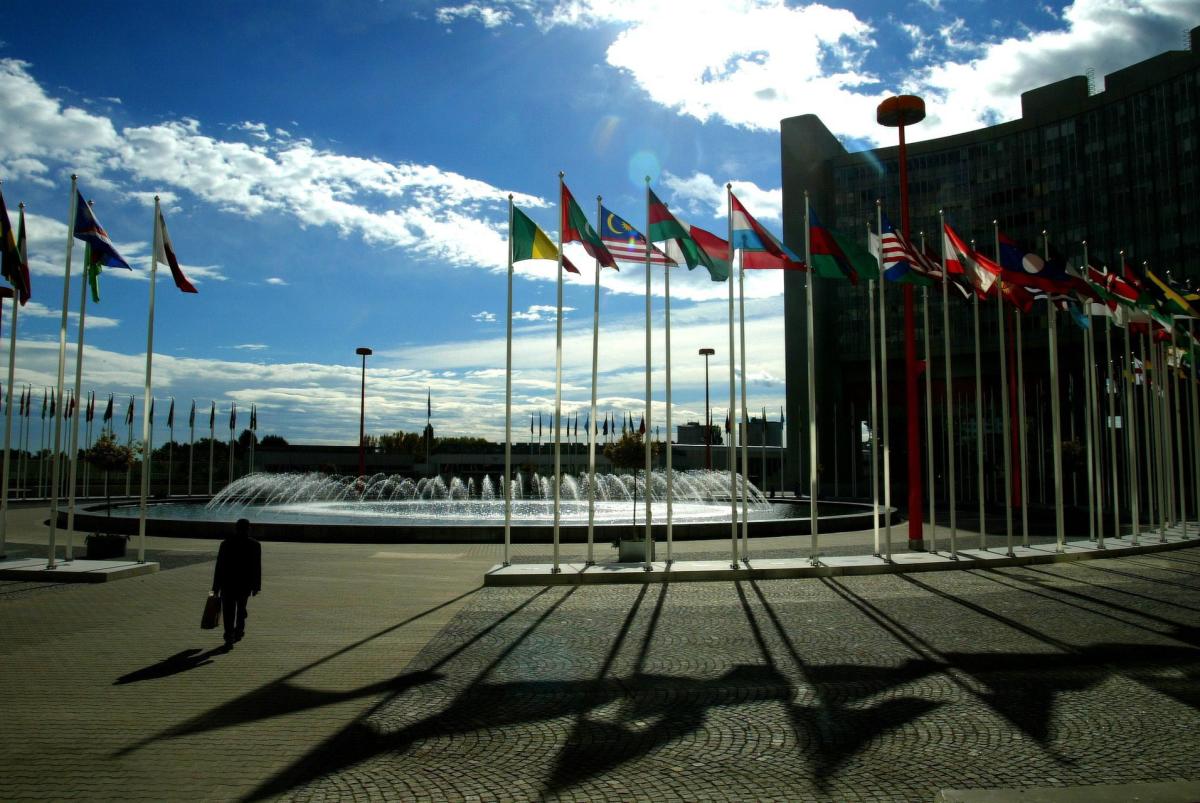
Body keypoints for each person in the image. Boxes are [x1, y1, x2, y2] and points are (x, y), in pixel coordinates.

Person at [211, 518, 261, 647]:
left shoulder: (226, 544)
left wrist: (215, 587)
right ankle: (238, 630)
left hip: (228, 583)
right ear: (248, 528)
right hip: (244, 584)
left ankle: (229, 636)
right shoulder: (255, 545)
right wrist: (256, 586)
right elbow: (256, 567)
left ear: (236, 529)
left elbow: (219, 567)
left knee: (229, 611)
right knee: (241, 608)